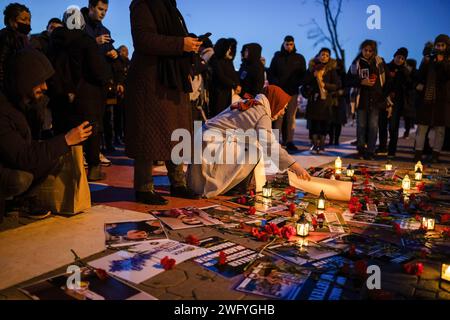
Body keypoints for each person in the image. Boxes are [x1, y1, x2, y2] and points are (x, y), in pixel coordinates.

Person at [125, 0, 203, 205]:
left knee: (176, 132)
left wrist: (189, 44)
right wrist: (180, 44)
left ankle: (178, 183)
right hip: (150, 79)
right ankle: (143, 187)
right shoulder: (142, 3)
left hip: (172, 77)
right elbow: (143, 40)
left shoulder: (170, 7)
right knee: (148, 133)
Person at [0, 49, 92, 222]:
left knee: (53, 156)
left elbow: (29, 146)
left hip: (13, 159)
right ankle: (12, 201)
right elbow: (22, 156)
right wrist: (65, 140)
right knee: (21, 178)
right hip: (9, 165)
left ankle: (21, 202)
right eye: (39, 81)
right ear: (24, 80)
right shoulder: (3, 110)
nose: (45, 87)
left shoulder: (25, 105)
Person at [187, 85, 311, 199]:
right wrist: (295, 166)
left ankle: (233, 183)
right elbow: (269, 145)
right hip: (212, 145)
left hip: (204, 141)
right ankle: (232, 187)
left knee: (252, 144)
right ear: (275, 102)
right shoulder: (261, 113)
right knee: (253, 151)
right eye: (283, 107)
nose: (283, 112)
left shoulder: (250, 104)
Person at [48, 6, 111, 181]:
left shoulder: (54, 42)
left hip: (59, 97)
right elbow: (99, 71)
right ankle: (93, 168)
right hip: (86, 97)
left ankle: (62, 171)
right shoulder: (86, 40)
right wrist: (107, 79)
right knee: (90, 132)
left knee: (62, 134)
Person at [81, 0, 116, 165]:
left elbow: (108, 53)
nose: (103, 13)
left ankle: (95, 152)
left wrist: (113, 55)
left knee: (99, 120)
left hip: (100, 82)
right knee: (84, 119)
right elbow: (75, 50)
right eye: (100, 9)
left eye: (106, 10)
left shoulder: (105, 30)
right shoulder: (79, 26)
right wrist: (94, 42)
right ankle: (82, 153)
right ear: (91, 8)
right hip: (84, 81)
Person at [347, 39, 389, 160]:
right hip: (361, 100)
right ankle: (361, 150)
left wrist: (383, 96)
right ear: (361, 49)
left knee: (373, 127)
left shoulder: (380, 62)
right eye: (365, 50)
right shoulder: (356, 63)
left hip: (376, 100)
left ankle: (370, 151)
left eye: (370, 50)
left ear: (374, 51)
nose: (368, 52)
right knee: (361, 126)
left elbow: (388, 82)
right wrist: (361, 82)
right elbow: (347, 80)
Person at [414, 34, 450, 163]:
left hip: (443, 99)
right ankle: (418, 153)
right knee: (422, 127)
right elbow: (420, 76)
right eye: (438, 45)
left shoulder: (448, 60)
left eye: (442, 45)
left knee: (440, 129)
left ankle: (435, 154)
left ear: (447, 46)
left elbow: (447, 75)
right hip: (427, 98)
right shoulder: (428, 59)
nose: (440, 47)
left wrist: (442, 62)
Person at [268, 36, 306, 153]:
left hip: (292, 92)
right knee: (278, 117)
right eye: (287, 44)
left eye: (291, 44)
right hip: (279, 92)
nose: (289, 46)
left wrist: (296, 83)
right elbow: (271, 73)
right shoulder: (277, 57)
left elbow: (303, 74)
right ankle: (275, 141)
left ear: (294, 45)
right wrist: (276, 84)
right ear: (283, 44)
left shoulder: (299, 58)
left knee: (290, 117)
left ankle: (289, 141)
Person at [302, 48, 341, 153]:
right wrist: (312, 75)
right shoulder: (311, 67)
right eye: (322, 54)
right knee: (313, 123)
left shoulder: (331, 69)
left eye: (327, 55)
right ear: (318, 56)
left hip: (325, 100)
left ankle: (322, 144)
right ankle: (314, 144)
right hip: (314, 100)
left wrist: (325, 85)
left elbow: (337, 84)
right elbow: (304, 82)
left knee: (324, 123)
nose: (324, 57)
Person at [378, 47, 413, 158]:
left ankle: (392, 151)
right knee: (382, 125)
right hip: (385, 100)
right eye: (398, 57)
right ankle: (382, 148)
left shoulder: (405, 71)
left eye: (402, 58)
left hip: (397, 103)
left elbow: (409, 86)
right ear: (394, 56)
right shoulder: (387, 67)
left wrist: (405, 73)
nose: (400, 60)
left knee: (393, 127)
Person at [0, 3, 31, 92]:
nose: (27, 23)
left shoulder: (24, 38)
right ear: (11, 21)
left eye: (29, 20)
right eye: (23, 19)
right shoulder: (6, 37)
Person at [209, 38, 241, 117]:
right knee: (217, 116)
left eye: (231, 48)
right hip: (218, 92)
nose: (230, 50)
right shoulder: (215, 59)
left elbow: (233, 74)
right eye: (228, 48)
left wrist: (237, 84)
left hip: (227, 92)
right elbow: (220, 76)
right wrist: (234, 85)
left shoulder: (229, 61)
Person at [111, 45, 130, 145]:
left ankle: (123, 136)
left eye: (125, 51)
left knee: (125, 116)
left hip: (126, 93)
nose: (125, 52)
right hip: (117, 93)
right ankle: (118, 136)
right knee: (117, 116)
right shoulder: (116, 62)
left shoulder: (128, 63)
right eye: (123, 50)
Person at [329, 59, 348, 146]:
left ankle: (336, 140)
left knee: (338, 122)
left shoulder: (343, 75)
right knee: (331, 122)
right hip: (331, 99)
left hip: (340, 100)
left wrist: (342, 92)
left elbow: (347, 87)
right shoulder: (330, 72)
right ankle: (331, 139)